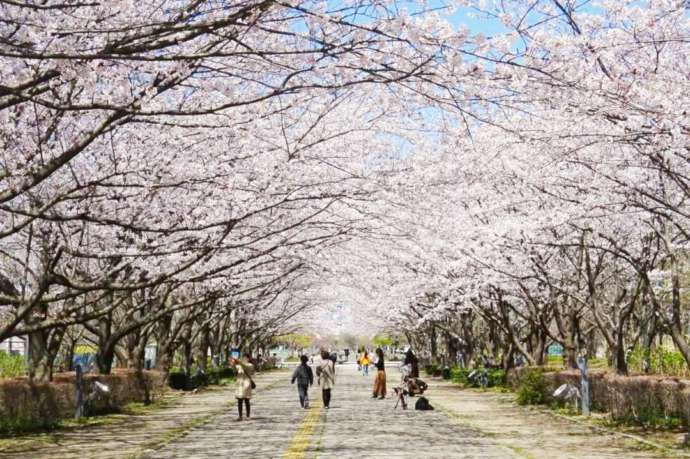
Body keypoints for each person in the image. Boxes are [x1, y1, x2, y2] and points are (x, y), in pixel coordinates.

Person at [231, 353, 255, 421]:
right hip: (239, 384)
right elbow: (234, 370)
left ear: (248, 358)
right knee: (239, 401)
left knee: (247, 400)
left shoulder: (250, 365)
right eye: (243, 358)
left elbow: (245, 366)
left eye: (245, 358)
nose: (244, 359)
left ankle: (248, 416)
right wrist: (233, 364)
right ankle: (240, 416)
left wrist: (238, 361)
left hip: (246, 384)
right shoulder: (239, 366)